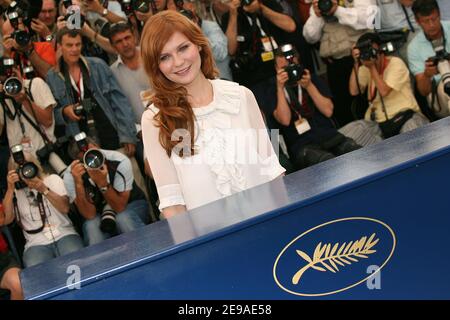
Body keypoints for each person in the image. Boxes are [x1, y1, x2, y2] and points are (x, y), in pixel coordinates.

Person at [140, 11, 286, 219]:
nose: (178, 62)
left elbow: (273, 170)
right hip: (212, 242)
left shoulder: (242, 96)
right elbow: (173, 205)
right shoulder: (154, 120)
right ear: (156, 66)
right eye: (165, 57)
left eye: (183, 48)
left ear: (198, 43)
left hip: (269, 226)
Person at [273, 44, 361, 169]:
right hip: (303, 147)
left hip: (329, 137)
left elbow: (328, 111)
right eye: (283, 68)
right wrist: (280, 88)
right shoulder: (273, 89)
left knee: (356, 150)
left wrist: (309, 86)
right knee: (328, 162)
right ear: (276, 69)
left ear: (298, 63)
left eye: (292, 66)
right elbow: (285, 120)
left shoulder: (311, 79)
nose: (289, 71)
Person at [340, 32, 428, 146]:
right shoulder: (366, 67)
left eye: (371, 51)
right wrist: (356, 63)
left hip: (405, 117)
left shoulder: (396, 63)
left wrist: (372, 68)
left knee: (410, 138)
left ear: (380, 50)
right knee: (350, 132)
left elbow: (384, 91)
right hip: (378, 123)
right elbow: (354, 91)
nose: (370, 55)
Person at [1, 150, 84, 267]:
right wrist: (10, 189)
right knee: (35, 268)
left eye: (28, 166)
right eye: (21, 169)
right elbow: (7, 220)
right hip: (35, 244)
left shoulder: (53, 180)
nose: (26, 172)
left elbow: (65, 208)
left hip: (64, 234)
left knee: (75, 260)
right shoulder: (14, 193)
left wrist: (44, 189)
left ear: (35, 165)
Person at [63, 135, 149, 246]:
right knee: (91, 226)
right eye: (86, 158)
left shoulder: (118, 160)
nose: (93, 160)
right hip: (97, 214)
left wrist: (102, 184)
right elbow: (89, 215)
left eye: (94, 153)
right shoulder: (71, 174)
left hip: (130, 204)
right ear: (77, 160)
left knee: (123, 218)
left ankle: (145, 251)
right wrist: (78, 184)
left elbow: (120, 207)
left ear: (97, 146)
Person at [303, 0, 376, 127]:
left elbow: (370, 18)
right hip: (336, 65)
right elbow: (310, 37)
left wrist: (337, 10)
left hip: (363, 59)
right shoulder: (319, 3)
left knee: (371, 106)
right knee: (345, 114)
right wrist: (317, 16)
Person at [408, 0, 450, 119]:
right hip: (437, 91)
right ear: (417, 22)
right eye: (426, 21)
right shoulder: (414, 47)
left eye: (434, 19)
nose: (431, 25)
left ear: (439, 14)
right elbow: (424, 92)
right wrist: (427, 75)